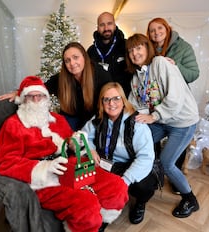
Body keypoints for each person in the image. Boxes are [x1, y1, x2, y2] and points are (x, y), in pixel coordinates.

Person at [0, 76, 129, 232]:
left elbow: (69, 142)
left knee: (116, 186)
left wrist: (76, 142)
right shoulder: (13, 125)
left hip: (68, 166)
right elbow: (5, 163)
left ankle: (98, 225)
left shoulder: (57, 119)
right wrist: (45, 167)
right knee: (86, 203)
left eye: (40, 95)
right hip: (42, 180)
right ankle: (86, 225)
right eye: (31, 96)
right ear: (24, 99)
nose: (37, 100)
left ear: (46, 97)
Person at [125, 33, 200, 218]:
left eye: (139, 47)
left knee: (167, 163)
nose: (135, 53)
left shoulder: (160, 63)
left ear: (147, 48)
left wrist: (154, 116)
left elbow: (175, 98)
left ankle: (190, 199)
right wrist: (131, 119)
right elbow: (136, 104)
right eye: (131, 50)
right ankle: (144, 191)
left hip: (182, 122)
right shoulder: (136, 78)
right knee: (138, 143)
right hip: (162, 120)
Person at [82, 82, 158, 225]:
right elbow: (83, 137)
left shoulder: (137, 123)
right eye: (106, 99)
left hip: (129, 165)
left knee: (144, 185)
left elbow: (145, 157)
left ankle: (140, 203)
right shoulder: (98, 119)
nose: (111, 103)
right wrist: (90, 149)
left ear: (123, 100)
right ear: (102, 102)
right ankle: (90, 202)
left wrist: (125, 181)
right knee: (82, 166)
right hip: (107, 162)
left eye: (116, 98)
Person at [0, 42, 112, 131]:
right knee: (63, 138)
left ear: (84, 57)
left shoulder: (100, 74)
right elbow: (40, 88)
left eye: (75, 57)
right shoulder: (62, 78)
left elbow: (112, 97)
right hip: (71, 116)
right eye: (67, 60)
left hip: (95, 117)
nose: (72, 63)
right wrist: (19, 92)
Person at [147, 17, 200, 193]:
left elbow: (193, 74)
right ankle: (156, 176)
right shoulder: (150, 50)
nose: (156, 33)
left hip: (177, 105)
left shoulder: (183, 47)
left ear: (167, 28)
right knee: (148, 140)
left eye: (160, 28)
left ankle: (179, 186)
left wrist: (175, 66)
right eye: (152, 30)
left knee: (172, 157)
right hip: (160, 108)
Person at [87, 12, 132, 96]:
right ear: (97, 28)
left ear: (115, 25)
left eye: (109, 24)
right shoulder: (91, 51)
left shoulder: (126, 46)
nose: (106, 28)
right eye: (102, 25)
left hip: (124, 98)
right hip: (100, 100)